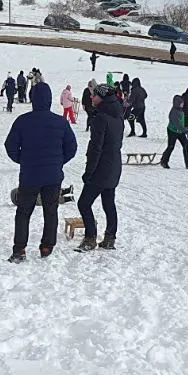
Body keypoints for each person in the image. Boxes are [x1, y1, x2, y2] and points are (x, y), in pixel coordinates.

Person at [4, 82, 79, 261]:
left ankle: (19, 249)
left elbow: (10, 146)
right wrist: (58, 162)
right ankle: (47, 246)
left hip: (29, 176)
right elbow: (72, 147)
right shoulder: (60, 122)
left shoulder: (22, 121)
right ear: (49, 99)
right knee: (51, 211)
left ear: (33, 99)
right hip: (53, 176)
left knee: (23, 212)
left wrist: (23, 160)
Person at [77, 84, 125, 251]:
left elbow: (96, 148)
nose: (91, 98)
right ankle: (110, 238)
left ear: (102, 98)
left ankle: (90, 238)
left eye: (94, 95)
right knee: (108, 202)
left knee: (84, 203)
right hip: (114, 166)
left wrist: (89, 171)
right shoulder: (118, 116)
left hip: (101, 168)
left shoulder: (101, 118)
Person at [161, 95, 188, 169]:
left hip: (180, 132)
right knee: (171, 146)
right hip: (172, 131)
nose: (183, 104)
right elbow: (176, 124)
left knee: (186, 145)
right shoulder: (174, 111)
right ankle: (164, 161)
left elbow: (181, 121)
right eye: (181, 103)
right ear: (177, 103)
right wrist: (184, 130)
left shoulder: (180, 110)